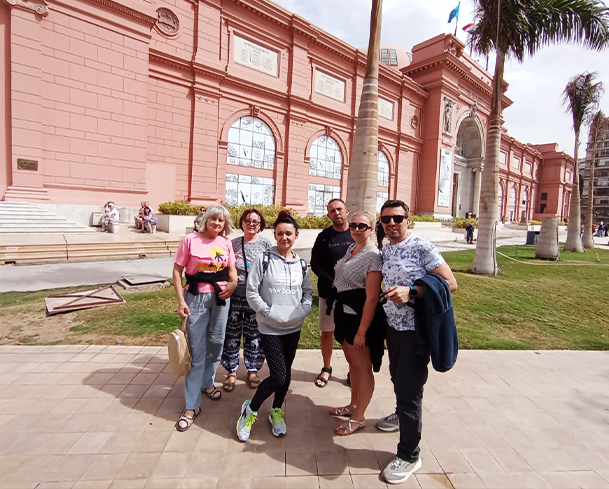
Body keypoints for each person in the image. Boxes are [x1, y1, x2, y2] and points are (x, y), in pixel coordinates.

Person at [377, 199, 457, 484]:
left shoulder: (422, 246)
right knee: (397, 378)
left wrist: (412, 291)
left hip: (415, 331)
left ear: (407, 219)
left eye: (397, 218)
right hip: (393, 328)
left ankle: (410, 454)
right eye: (386, 219)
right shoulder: (386, 247)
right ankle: (400, 415)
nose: (391, 224)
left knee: (410, 390)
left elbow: (451, 283)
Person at [237, 210, 313, 441]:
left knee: (286, 373)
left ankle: (276, 409)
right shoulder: (264, 259)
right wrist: (268, 312)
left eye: (288, 233)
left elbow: (308, 292)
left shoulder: (300, 263)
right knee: (279, 376)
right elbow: (252, 292)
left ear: (296, 235)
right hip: (270, 327)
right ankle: (250, 409)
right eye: (279, 233)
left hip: (293, 327)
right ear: (275, 234)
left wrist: (304, 309)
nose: (284, 237)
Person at [173, 205, 238, 432]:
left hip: (221, 300)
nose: (217, 223)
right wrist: (181, 301)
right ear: (206, 220)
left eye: (221, 221)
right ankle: (191, 406)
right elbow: (177, 271)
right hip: (196, 298)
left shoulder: (225, 243)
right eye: (213, 219)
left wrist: (233, 284)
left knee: (217, 344)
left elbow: (232, 271)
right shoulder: (190, 240)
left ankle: (207, 383)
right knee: (196, 351)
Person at [328, 210, 383, 436]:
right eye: (353, 225)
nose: (357, 229)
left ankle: (359, 417)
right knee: (352, 365)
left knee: (363, 368)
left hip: (360, 317)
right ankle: (352, 406)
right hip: (343, 312)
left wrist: (362, 332)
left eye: (362, 226)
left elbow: (371, 298)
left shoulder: (373, 255)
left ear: (371, 229)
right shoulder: (351, 249)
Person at [221, 208, 271, 392]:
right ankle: (231, 370)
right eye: (248, 220)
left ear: (260, 225)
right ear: (242, 223)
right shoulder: (233, 243)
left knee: (254, 336)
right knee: (232, 335)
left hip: (256, 299)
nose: (251, 224)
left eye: (255, 221)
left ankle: (253, 369)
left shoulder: (266, 244)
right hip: (235, 296)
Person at [310, 199, 354, 387]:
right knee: (327, 331)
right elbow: (316, 264)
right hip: (328, 293)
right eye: (332, 211)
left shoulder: (356, 232)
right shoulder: (324, 237)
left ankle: (354, 370)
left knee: (350, 334)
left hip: (353, 294)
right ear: (328, 215)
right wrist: (332, 281)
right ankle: (326, 367)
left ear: (346, 211)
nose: (336, 213)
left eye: (339, 209)